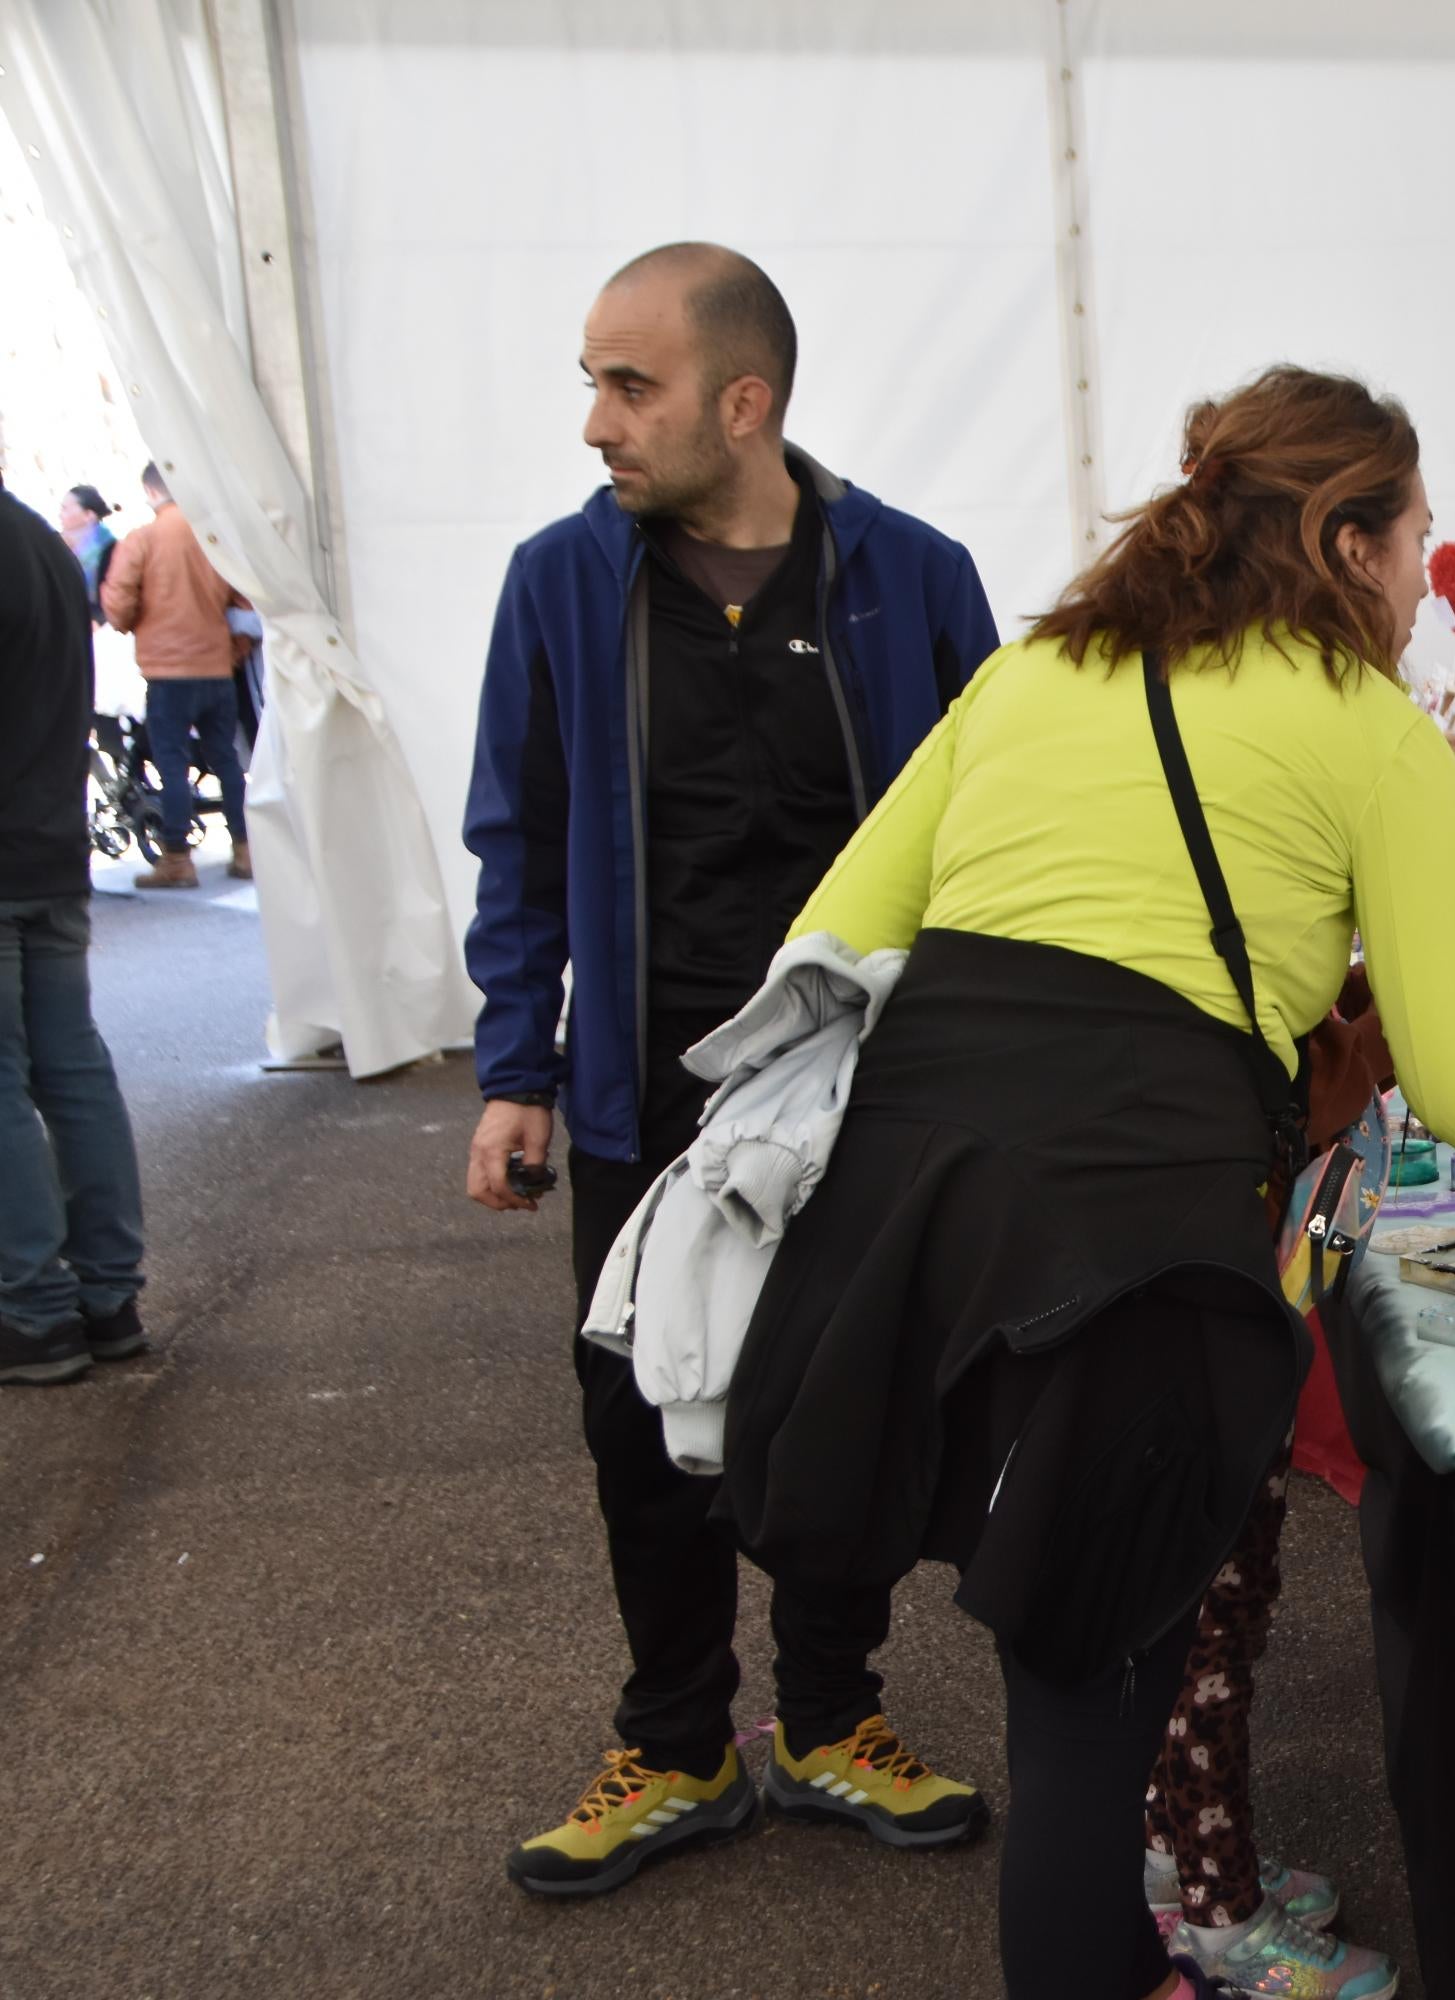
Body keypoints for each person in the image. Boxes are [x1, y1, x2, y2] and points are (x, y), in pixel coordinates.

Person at [717, 365, 1455, 2000]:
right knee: (1084, 1706)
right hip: (1131, 1249)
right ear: (1343, 539)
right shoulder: (1369, 734)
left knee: (1070, 1684)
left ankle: (1134, 1957)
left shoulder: (1033, 673)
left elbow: (829, 941)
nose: (1416, 580)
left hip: (918, 1217)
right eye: (1413, 543)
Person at [460, 241, 1001, 1898]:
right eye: (593, 383)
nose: (596, 422)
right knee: (640, 1423)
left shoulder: (913, 578)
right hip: (643, 1092)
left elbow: (989, 834)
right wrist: (515, 1068)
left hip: (859, 1088)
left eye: (630, 385)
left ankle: (834, 1721)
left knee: (851, 1411)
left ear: (742, 401)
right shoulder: (559, 583)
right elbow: (520, 840)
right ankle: (680, 1745)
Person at [0, 490, 150, 1385]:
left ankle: (34, 1308)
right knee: (73, 1070)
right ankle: (106, 1296)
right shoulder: (45, 546)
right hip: (50, 846)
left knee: (11, 1082)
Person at [99, 464, 251, 888]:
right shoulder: (214, 540)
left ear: (151, 491)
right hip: (216, 668)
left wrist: (134, 622)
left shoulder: (143, 539)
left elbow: (117, 605)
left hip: (168, 672)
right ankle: (246, 849)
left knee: (172, 764)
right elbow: (245, 604)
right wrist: (232, 652)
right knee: (226, 760)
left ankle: (178, 860)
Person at [57, 485, 116, 619]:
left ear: (88, 515)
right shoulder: (58, 546)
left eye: (65, 509)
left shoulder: (111, 550)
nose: (60, 515)